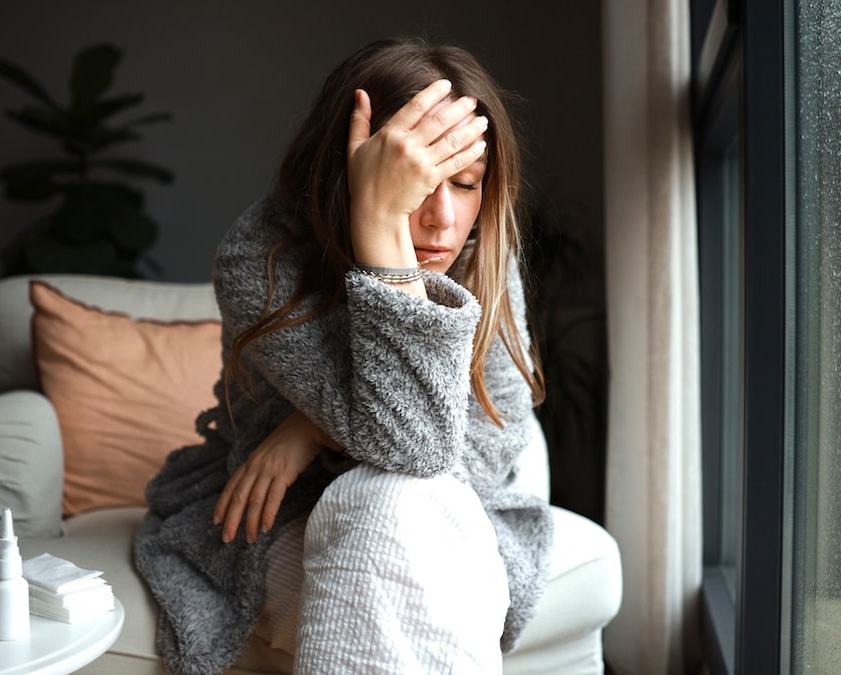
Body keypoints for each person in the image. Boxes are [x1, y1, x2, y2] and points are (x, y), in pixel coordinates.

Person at [135, 37, 552, 674]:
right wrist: (381, 226)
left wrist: (310, 424)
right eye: (415, 185)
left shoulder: (484, 251)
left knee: (392, 501)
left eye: (466, 184)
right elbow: (415, 448)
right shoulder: (263, 259)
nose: (442, 219)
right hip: (291, 514)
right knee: (383, 502)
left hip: (463, 510)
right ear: (347, 172)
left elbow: (455, 458)